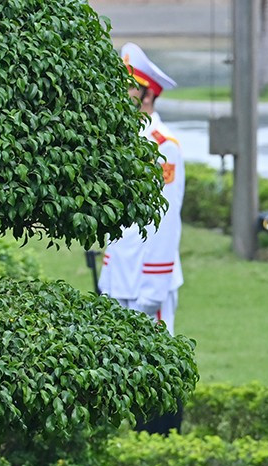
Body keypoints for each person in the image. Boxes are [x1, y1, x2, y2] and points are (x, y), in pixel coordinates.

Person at [100, 44, 185, 340]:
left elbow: (167, 219)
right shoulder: (122, 140)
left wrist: (154, 286)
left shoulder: (164, 146)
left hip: (147, 280)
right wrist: (107, 274)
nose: (122, 94)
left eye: (130, 88)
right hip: (119, 276)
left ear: (148, 95)